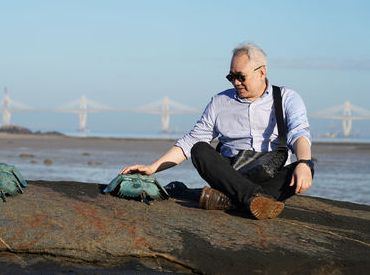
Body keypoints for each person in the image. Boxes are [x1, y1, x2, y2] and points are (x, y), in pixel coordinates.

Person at [120, 42, 313, 220]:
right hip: (230, 174)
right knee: (200, 149)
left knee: (306, 167)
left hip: (271, 172)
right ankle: (253, 199)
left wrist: (303, 162)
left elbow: (299, 133)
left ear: (262, 72)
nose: (236, 83)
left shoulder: (287, 98)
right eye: (232, 77)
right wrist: (152, 168)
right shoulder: (220, 102)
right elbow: (191, 141)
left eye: (241, 77)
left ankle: (229, 200)